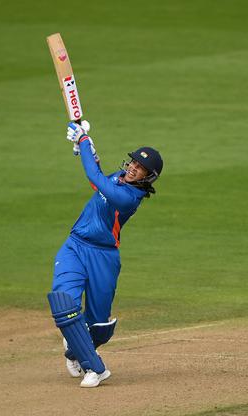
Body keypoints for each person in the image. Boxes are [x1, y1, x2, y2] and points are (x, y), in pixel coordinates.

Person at [47, 122, 163, 387]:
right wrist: (86, 150)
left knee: (97, 327)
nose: (133, 168)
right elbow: (97, 178)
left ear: (147, 177)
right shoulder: (117, 178)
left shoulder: (129, 198)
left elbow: (96, 178)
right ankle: (95, 368)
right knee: (64, 305)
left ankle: (75, 351)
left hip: (103, 257)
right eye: (133, 162)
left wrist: (85, 141)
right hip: (75, 246)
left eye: (140, 168)